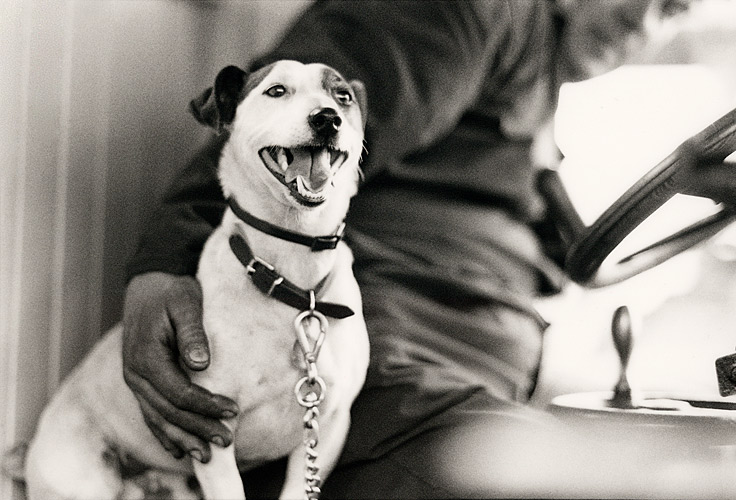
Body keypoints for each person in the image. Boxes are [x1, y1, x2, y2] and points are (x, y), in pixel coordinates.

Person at [121, 1, 693, 497]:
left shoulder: (538, 82)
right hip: (381, 388)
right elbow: (266, 136)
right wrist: (162, 268)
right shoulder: (463, 14)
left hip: (470, 383)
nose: (640, 19)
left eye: (671, 6)